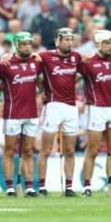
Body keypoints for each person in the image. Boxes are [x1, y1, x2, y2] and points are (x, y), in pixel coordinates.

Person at [35, 27, 82, 197]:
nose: (69, 43)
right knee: (46, 149)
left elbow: (81, 74)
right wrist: (43, 89)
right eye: (66, 40)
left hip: (70, 107)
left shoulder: (76, 57)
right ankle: (42, 187)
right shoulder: (46, 57)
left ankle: (69, 187)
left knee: (70, 150)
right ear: (57, 41)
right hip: (52, 106)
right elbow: (34, 74)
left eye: (71, 39)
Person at [0, 32, 42, 198]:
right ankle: (9, 187)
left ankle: (29, 188)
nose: (27, 46)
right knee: (9, 151)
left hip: (31, 113)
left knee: (28, 151)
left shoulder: (36, 62)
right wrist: (2, 56)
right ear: (16, 45)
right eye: (23, 44)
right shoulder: (6, 62)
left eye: (29, 43)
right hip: (12, 113)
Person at [78, 30, 111, 197]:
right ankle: (87, 186)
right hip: (95, 108)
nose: (110, 47)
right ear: (98, 44)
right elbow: (74, 78)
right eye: (106, 43)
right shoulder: (88, 61)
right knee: (93, 150)